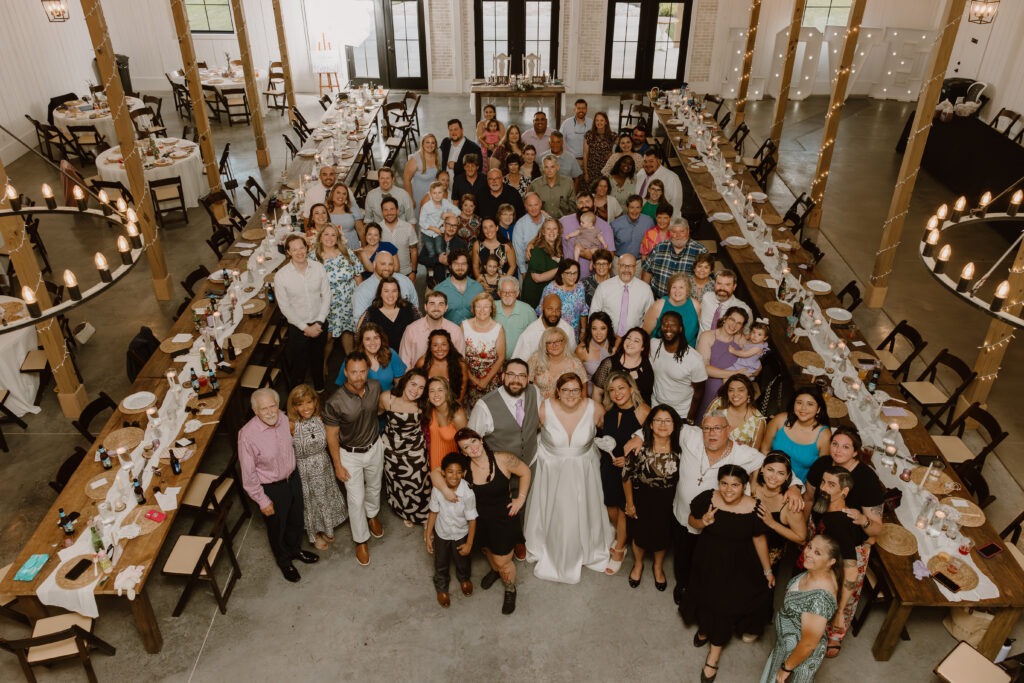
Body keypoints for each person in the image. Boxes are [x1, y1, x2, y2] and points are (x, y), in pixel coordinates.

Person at [684, 465, 774, 683]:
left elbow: (759, 539)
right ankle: (704, 628)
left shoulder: (755, 507)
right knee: (705, 597)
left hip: (738, 566)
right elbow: (691, 521)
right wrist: (702, 522)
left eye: (735, 485)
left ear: (744, 486)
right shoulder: (708, 498)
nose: (728, 490)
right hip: (707, 560)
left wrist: (767, 570)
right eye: (724, 483)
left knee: (723, 606)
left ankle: (713, 656)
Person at [524, 373, 612, 583]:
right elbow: (529, 434)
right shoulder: (545, 408)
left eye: (575, 390)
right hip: (552, 470)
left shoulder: (595, 408)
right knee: (558, 510)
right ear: (558, 392)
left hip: (584, 470)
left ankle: (586, 545)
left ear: (582, 391)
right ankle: (550, 546)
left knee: (583, 508)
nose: (571, 395)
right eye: (565, 390)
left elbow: (607, 431)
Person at [437, 428, 531, 614]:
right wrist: (446, 490)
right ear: (462, 452)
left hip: (503, 520)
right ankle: (495, 571)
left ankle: (510, 588)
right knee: (487, 549)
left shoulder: (503, 459)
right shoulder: (464, 469)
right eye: (466, 447)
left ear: (480, 440)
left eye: (473, 441)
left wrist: (520, 498)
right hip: (479, 521)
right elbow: (435, 473)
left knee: (503, 561)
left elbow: (525, 472)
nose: (472, 448)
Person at [239, 388, 320, 582]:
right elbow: (248, 474)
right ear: (255, 410)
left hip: (293, 478)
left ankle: (295, 550)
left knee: (296, 520)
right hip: (271, 487)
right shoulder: (247, 435)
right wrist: (262, 500)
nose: (269, 412)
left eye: (273, 406)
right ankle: (284, 561)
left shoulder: (283, 419)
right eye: (263, 408)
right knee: (278, 527)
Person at [323, 352, 385, 566]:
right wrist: (338, 465)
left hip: (375, 446)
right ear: (346, 373)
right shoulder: (334, 402)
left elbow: (378, 409)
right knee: (356, 498)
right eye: (353, 372)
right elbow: (331, 435)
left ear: (367, 371)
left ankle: (373, 514)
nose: (358, 377)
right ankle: (361, 539)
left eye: (362, 371)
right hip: (349, 454)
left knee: (375, 486)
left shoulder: (375, 387)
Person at [759, 535, 841, 683]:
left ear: (831, 562)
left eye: (818, 553)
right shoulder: (818, 571)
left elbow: (809, 643)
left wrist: (786, 668)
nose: (808, 553)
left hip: (796, 656)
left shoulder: (819, 600)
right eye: (810, 547)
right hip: (787, 644)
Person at [808, 467, 870, 660]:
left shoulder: (840, 524)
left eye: (831, 484)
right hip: (830, 558)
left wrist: (840, 611)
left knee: (839, 604)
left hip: (846, 567)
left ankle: (834, 635)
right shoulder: (824, 505)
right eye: (823, 482)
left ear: (844, 492)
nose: (824, 488)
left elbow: (851, 574)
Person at [624, 405, 682, 591]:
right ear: (650, 424)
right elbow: (626, 476)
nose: (662, 424)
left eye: (667, 420)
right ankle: (638, 563)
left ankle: (658, 566)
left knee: (662, 536)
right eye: (658, 420)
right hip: (642, 499)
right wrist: (630, 504)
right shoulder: (638, 447)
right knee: (639, 534)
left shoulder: (682, 450)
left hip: (667, 502)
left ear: (675, 424)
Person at [597, 371, 650, 575]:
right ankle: (621, 536)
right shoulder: (608, 412)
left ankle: (619, 548)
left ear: (630, 388)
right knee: (611, 507)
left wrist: (630, 460)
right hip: (608, 467)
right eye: (612, 390)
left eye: (621, 388)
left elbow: (656, 441)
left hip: (630, 471)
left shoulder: (643, 411)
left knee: (624, 509)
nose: (617, 393)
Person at [287, 385, 349, 552]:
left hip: (323, 464)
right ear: (294, 407)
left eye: (309, 402)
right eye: (300, 404)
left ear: (315, 402)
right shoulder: (291, 425)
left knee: (326, 496)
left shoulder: (320, 419)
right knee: (311, 503)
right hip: (304, 469)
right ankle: (315, 534)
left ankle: (327, 527)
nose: (306, 408)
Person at [275, 234, 330, 391]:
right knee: (299, 365)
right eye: (294, 249)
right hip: (298, 327)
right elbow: (285, 307)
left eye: (301, 248)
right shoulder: (281, 276)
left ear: (307, 248)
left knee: (318, 360)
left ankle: (320, 389)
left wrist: (319, 322)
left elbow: (326, 296)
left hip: (319, 323)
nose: (299, 252)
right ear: (288, 252)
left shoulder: (318, 268)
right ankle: (295, 397)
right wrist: (305, 328)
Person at [426, 452, 478, 608]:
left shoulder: (468, 493)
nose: (454, 476)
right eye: (450, 472)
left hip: (461, 534)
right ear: (443, 472)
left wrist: (469, 544)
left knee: (462, 560)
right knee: (440, 562)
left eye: (458, 472)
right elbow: (433, 512)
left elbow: (472, 520)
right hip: (442, 534)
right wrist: (428, 535)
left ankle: (464, 578)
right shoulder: (437, 490)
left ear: (464, 473)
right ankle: (442, 587)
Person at [380, 368, 429, 526]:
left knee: (419, 481)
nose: (416, 390)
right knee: (396, 481)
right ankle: (404, 512)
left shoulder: (423, 404)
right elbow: (376, 415)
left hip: (415, 448)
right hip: (391, 448)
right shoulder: (387, 398)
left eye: (421, 387)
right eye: (413, 384)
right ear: (405, 381)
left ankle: (421, 513)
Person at [312, 224, 362, 372]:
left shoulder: (346, 253)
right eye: (326, 234)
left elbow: (358, 275)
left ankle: (352, 363)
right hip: (328, 305)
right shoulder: (313, 257)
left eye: (333, 235)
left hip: (348, 301)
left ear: (338, 238)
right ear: (320, 237)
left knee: (348, 332)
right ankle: (323, 363)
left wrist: (360, 300)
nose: (329, 238)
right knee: (328, 337)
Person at [751, 452, 809, 574]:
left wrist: (772, 523)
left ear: (788, 476)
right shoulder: (752, 487)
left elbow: (802, 539)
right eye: (770, 470)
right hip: (742, 549)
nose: (773, 477)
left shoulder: (790, 504)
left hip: (767, 561)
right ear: (762, 469)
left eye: (780, 473)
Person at [761, 386, 832, 482]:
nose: (803, 408)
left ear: (818, 409)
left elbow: (819, 473)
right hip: (769, 478)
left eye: (810, 404)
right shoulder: (780, 420)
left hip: (797, 488)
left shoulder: (824, 436)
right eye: (799, 403)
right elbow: (764, 450)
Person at [697, 306, 752, 419]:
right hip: (707, 389)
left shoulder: (741, 340)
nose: (733, 325)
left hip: (732, 394)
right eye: (732, 320)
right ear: (725, 318)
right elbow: (704, 368)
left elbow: (755, 366)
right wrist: (733, 374)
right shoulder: (708, 336)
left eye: (739, 323)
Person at [650, 311, 707, 419]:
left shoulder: (694, 359)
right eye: (665, 324)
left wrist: (690, 418)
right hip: (656, 408)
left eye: (673, 325)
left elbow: (699, 393)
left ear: (680, 329)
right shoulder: (653, 345)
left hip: (681, 414)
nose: (668, 328)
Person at [641, 217, 709, 299]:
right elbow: (647, 272)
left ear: (688, 231)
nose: (678, 236)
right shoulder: (659, 248)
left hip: (686, 303)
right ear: (669, 232)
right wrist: (644, 296)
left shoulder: (700, 251)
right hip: (658, 300)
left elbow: (707, 279)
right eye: (674, 232)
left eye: (682, 231)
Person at [589, 254, 654, 338]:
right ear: (618, 266)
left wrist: (641, 338)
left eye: (630, 266)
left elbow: (650, 319)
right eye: (623, 265)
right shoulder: (604, 287)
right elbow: (593, 314)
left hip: (633, 342)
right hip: (606, 340)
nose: (626, 270)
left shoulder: (646, 290)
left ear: (635, 268)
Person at [399, 290, 466, 367]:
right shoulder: (411, 330)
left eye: (441, 304)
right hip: (417, 377)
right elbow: (404, 363)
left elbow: (460, 364)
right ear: (425, 307)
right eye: (432, 304)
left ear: (446, 307)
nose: (436, 308)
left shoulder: (455, 331)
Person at [462, 292, 506, 407]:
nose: (482, 310)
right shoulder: (464, 326)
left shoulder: (498, 329)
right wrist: (473, 379)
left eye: (486, 306)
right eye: (478, 306)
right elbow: (459, 356)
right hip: (468, 379)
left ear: (491, 309)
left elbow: (501, 358)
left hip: (491, 381)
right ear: (473, 308)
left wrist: (485, 381)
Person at [559, 192, 616, 279]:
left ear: (594, 203)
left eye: (587, 201)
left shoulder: (605, 226)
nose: (584, 205)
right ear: (576, 205)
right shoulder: (564, 222)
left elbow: (610, 255)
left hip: (594, 279)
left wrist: (590, 255)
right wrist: (532, 243)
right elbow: (548, 235)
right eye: (580, 202)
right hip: (568, 276)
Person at [592, 327, 654, 405]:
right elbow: (597, 392)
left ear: (643, 347)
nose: (630, 342)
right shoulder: (609, 363)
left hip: (641, 414)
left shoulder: (649, 364)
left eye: (636, 341)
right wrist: (599, 414)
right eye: (628, 338)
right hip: (613, 414)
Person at [338, 323, 407, 393]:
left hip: (388, 398)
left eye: (376, 338)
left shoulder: (390, 353)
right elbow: (341, 387)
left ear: (381, 339)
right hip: (362, 401)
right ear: (362, 341)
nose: (372, 342)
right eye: (368, 339)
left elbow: (399, 382)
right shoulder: (352, 359)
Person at [355, 278, 419, 354]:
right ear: (380, 293)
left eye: (394, 291)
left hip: (408, 355)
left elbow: (421, 330)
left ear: (398, 293)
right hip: (381, 357)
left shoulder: (409, 308)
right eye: (386, 291)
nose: (390, 295)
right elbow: (358, 336)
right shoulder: (371, 312)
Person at [353, 251, 418, 323]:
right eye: (383, 264)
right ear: (374, 265)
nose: (387, 268)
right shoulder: (363, 290)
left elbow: (415, 308)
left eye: (390, 264)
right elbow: (359, 321)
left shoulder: (405, 281)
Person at [705, 374, 767, 449]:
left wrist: (741, 449)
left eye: (741, 390)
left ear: (749, 393)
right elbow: (702, 431)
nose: (735, 394)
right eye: (731, 390)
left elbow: (753, 455)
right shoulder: (718, 404)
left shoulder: (758, 421)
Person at [528, 326, 588, 400]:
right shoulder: (535, 359)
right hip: (539, 406)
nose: (554, 345)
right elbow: (525, 384)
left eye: (558, 341)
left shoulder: (575, 364)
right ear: (544, 345)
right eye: (549, 342)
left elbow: (583, 395)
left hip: (567, 408)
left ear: (564, 342)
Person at [512, 292, 577, 360]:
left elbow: (572, 357)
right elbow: (518, 363)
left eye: (558, 309)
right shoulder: (529, 333)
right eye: (550, 309)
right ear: (542, 307)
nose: (554, 313)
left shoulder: (568, 330)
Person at [644, 271, 700, 347]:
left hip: (688, 351)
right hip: (661, 349)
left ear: (687, 290)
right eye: (674, 287)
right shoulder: (659, 305)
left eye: (681, 287)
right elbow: (645, 332)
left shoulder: (696, 305)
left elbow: (700, 332)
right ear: (669, 289)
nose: (677, 291)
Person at [424, 376, 468, 470]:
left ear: (447, 392)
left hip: (452, 467)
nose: (436, 394)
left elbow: (466, 445)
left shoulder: (457, 415)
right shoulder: (429, 410)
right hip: (433, 463)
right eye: (432, 391)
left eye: (440, 390)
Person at [539, 259, 589, 337]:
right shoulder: (550, 289)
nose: (573, 276)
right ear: (562, 274)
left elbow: (583, 310)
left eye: (575, 273)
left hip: (573, 333)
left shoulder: (580, 287)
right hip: (554, 333)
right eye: (569, 273)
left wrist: (583, 330)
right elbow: (542, 313)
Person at [433, 250, 485, 325]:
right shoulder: (439, 289)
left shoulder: (478, 288)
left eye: (463, 264)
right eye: (456, 264)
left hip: (474, 334)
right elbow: (434, 319)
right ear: (450, 265)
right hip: (449, 334)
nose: (460, 267)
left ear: (468, 266)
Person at [416, 329, 469, 402]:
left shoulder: (460, 363)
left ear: (449, 346)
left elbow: (463, 387)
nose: (440, 349)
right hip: (427, 405)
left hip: (452, 403)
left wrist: (454, 408)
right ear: (430, 347)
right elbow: (416, 386)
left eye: (444, 344)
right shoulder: (422, 363)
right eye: (435, 345)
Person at [521, 218, 563, 309]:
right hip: (535, 295)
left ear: (559, 231)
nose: (551, 231)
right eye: (548, 229)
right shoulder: (537, 250)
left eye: (554, 228)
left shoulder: (559, 248)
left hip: (549, 294)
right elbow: (537, 278)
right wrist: (561, 268)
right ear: (543, 232)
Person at [421, 213, 468, 288]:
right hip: (434, 285)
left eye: (454, 226)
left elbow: (466, 264)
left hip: (455, 286)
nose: (451, 228)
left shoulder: (462, 244)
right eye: (449, 224)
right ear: (444, 224)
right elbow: (421, 259)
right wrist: (438, 260)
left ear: (457, 227)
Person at [495, 277, 537, 357]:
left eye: (511, 292)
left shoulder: (528, 311)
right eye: (504, 292)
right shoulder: (490, 308)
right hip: (494, 361)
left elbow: (536, 336)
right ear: (499, 293)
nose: (507, 295)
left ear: (517, 293)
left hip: (520, 361)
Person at [377, 196, 419, 277]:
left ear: (397, 210)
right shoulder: (377, 229)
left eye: (392, 209)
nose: (389, 213)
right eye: (385, 210)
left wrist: (414, 272)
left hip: (406, 272)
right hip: (384, 274)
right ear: (382, 212)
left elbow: (414, 250)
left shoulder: (408, 227)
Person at [635, 148, 683, 218]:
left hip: (659, 220)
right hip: (639, 216)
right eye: (645, 161)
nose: (647, 164)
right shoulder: (641, 173)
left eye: (651, 161)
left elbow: (676, 204)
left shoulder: (671, 178)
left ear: (659, 161)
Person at [576, 311, 616, 388]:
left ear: (608, 329)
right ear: (590, 329)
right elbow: (576, 377)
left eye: (602, 328)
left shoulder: (614, 346)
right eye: (594, 329)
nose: (598, 333)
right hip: (589, 393)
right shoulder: (582, 350)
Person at [529, 155, 576, 220]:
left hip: (563, 222)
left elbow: (573, 207)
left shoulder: (568, 183)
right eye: (546, 167)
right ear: (543, 169)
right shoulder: (535, 184)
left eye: (552, 167)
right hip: (542, 222)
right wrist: (539, 212)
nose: (549, 170)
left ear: (558, 167)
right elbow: (528, 205)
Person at [511, 192, 547, 270]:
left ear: (540, 204)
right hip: (528, 267)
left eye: (536, 205)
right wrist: (523, 270)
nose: (533, 208)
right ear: (525, 206)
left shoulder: (548, 220)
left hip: (548, 264)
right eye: (530, 205)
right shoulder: (520, 225)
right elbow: (518, 251)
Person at [403, 133, 441, 207]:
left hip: (433, 196)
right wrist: (411, 198)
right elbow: (406, 179)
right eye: (427, 142)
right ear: (422, 143)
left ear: (435, 145)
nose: (430, 145)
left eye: (433, 143)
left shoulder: (438, 155)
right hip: (418, 196)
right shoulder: (415, 159)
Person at [326, 183, 365, 249]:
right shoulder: (326, 210)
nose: (341, 196)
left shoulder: (353, 209)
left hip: (352, 246)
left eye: (344, 194)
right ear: (332, 195)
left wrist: (364, 247)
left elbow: (361, 230)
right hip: (332, 247)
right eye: (338, 193)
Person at [582, 111, 614, 186]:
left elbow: (623, 144)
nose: (599, 122)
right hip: (591, 170)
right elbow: (585, 154)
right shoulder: (589, 135)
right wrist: (586, 173)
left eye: (602, 120)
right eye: (597, 120)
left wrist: (613, 155)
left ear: (606, 122)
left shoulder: (612, 135)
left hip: (605, 170)